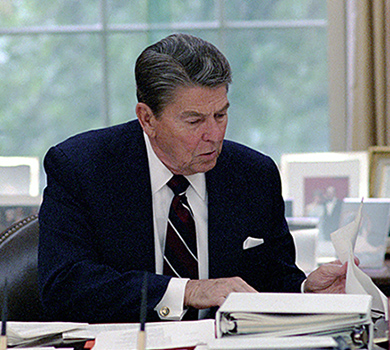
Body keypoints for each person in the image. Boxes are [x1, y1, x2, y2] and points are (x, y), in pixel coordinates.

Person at [38, 33, 349, 323]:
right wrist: (187, 291)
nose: (213, 136)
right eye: (194, 120)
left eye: (221, 115)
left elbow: (272, 281)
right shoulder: (82, 168)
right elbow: (63, 286)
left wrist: (306, 291)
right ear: (147, 119)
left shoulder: (254, 175)